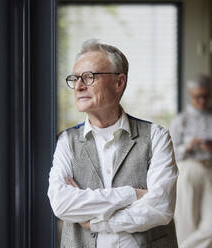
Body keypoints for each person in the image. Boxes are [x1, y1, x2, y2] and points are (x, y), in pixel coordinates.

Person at [47, 39, 178, 248]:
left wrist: (97, 222)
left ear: (119, 82)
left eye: (89, 77)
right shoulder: (66, 141)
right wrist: (132, 194)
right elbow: (61, 204)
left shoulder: (157, 136)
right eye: (75, 78)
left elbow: (160, 208)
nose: (79, 86)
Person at [170, 74, 212, 248]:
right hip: (188, 169)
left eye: (206, 96)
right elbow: (170, 154)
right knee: (186, 224)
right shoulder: (180, 120)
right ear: (190, 94)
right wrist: (189, 145)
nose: (202, 100)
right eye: (198, 96)